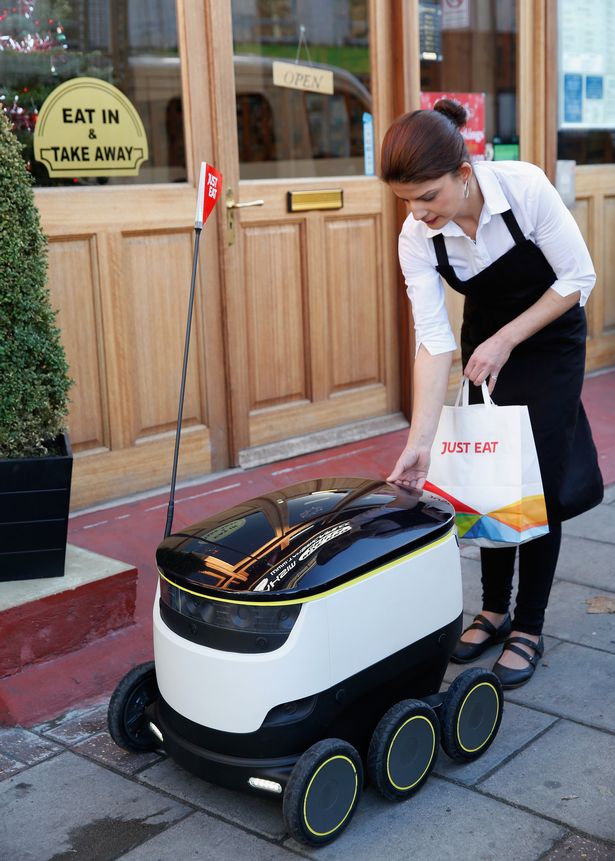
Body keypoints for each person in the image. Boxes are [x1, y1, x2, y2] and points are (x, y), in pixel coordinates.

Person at [381, 100, 604, 689]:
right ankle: (493, 609)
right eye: (406, 201)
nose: (418, 212)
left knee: (538, 481)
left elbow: (577, 279)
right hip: (485, 343)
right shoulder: (417, 237)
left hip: (549, 341)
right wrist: (420, 443)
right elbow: (433, 342)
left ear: (463, 172)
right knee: (489, 475)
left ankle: (528, 625)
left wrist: (507, 340)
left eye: (428, 196)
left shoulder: (524, 188)